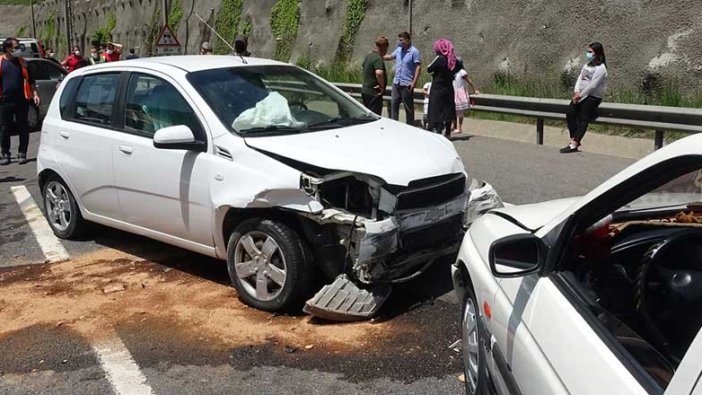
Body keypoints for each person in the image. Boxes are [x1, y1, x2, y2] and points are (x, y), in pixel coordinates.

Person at [561, 42, 608, 153]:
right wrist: (577, 91)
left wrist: (580, 96)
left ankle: (574, 144)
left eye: (590, 52)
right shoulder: (586, 65)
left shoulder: (601, 68)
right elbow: (579, 79)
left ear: (597, 53)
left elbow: (593, 85)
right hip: (580, 95)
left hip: (592, 97)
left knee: (583, 118)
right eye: (588, 51)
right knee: (570, 112)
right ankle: (574, 138)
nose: (588, 54)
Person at [0, 38, 40, 165]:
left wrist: (35, 94)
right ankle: (5, 153)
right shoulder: (1, 62)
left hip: (21, 99)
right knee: (4, 128)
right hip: (4, 101)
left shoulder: (22, 62)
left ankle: (22, 153)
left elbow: (31, 80)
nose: (19, 49)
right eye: (16, 47)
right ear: (8, 49)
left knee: (23, 126)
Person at [383, 32, 421, 125]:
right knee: (394, 105)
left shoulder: (414, 52)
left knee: (408, 108)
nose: (399, 42)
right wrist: (379, 55)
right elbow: (391, 57)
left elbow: (418, 67)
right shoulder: (399, 49)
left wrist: (414, 82)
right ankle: (394, 126)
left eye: (401, 40)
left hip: (407, 84)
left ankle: (410, 126)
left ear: (407, 40)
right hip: (397, 82)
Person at [427, 38, 461, 138]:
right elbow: (460, 68)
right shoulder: (453, 60)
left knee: (436, 110)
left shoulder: (439, 59)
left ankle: (437, 130)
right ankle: (447, 132)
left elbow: (429, 69)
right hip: (449, 88)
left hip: (437, 88)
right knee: (448, 110)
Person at [361, 35, 388, 116]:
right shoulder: (378, 58)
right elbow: (379, 73)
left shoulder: (369, 56)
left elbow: (362, 67)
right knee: (374, 116)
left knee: (367, 115)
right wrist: (382, 87)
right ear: (384, 47)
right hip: (374, 93)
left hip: (365, 90)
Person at [452, 57, 479, 133]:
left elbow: (469, 80)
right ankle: (453, 126)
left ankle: (459, 127)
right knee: (453, 111)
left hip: (460, 93)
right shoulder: (453, 72)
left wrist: (474, 89)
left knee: (459, 111)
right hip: (453, 92)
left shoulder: (462, 72)